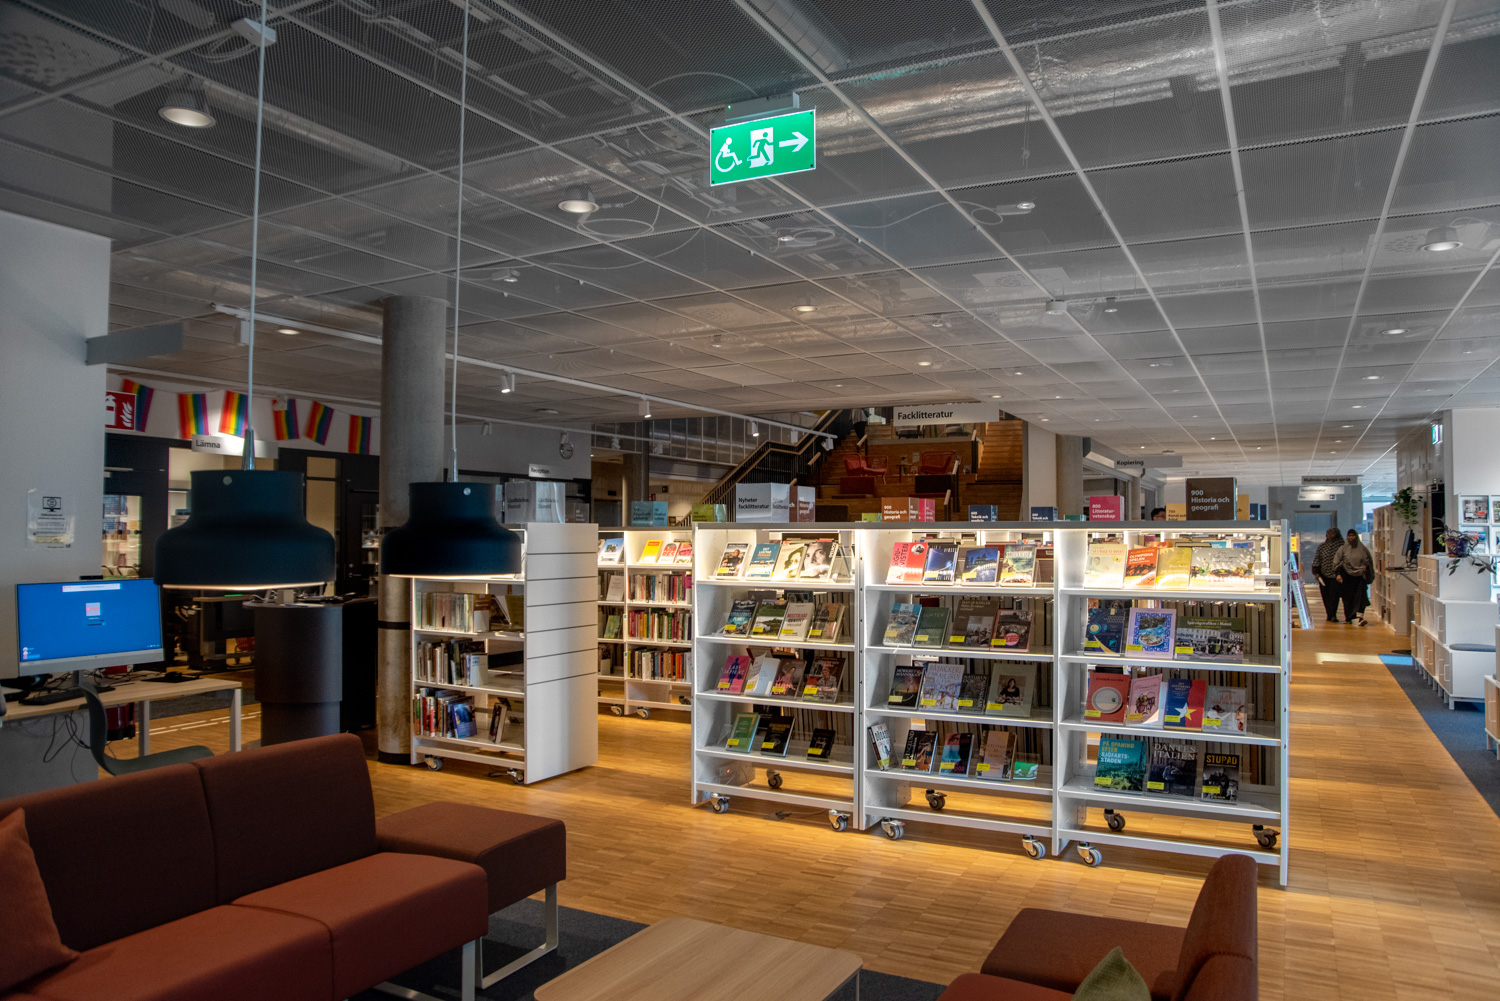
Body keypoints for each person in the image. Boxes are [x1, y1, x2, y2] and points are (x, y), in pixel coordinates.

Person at [1335, 528, 1374, 626]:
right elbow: (1337, 562)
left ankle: (1360, 618)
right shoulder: (1343, 549)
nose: (1351, 538)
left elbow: (1369, 561)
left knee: (1361, 598)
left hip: (1360, 577)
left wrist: (1366, 569)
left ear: (1356, 536)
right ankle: (1348, 618)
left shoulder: (1363, 549)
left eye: (1353, 535)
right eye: (1349, 536)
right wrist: (1338, 574)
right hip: (1346, 577)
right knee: (1347, 598)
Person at [1311, 527, 1345, 623]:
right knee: (1325, 596)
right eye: (1328, 534)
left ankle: (1333, 614)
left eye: (1332, 534)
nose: (1330, 535)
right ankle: (1329, 614)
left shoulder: (1342, 546)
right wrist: (1316, 571)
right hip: (1324, 575)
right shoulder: (1322, 546)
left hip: (1336, 575)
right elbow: (1317, 559)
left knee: (1334, 596)